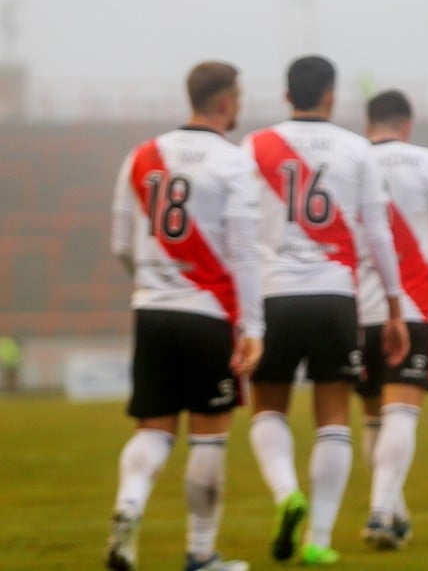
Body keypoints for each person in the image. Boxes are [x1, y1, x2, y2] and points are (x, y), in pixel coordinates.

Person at [243, 55, 410, 566]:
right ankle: (318, 538)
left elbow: (241, 230)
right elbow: (379, 233)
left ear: (286, 95)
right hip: (336, 296)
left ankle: (285, 493)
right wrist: (397, 305)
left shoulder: (255, 147)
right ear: (332, 96)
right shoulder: (357, 150)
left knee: (268, 407)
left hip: (274, 294)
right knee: (333, 417)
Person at [105, 61, 263, 571]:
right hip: (208, 314)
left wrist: (154, 280)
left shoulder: (141, 156)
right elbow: (243, 253)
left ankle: (129, 504)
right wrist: (253, 327)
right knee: (209, 434)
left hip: (152, 311)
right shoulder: (234, 163)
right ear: (224, 101)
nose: (239, 105)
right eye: (237, 97)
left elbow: (120, 244)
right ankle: (201, 554)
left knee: (152, 429)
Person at [354, 89, 428, 550]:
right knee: (402, 410)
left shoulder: (352, 159)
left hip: (358, 304)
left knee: (372, 417)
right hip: (414, 300)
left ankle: (393, 512)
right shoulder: (423, 160)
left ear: (369, 124)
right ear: (407, 123)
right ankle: (382, 512)